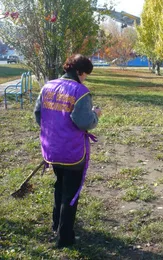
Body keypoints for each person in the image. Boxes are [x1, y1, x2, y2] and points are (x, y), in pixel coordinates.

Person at [34, 54, 101, 248]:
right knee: (71, 193)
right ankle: (65, 237)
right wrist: (95, 115)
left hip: (51, 148)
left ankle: (56, 224)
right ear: (79, 72)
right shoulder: (80, 92)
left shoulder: (47, 87)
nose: (85, 78)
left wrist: (52, 130)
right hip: (72, 152)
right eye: (85, 74)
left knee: (60, 184)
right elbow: (84, 122)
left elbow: (38, 114)